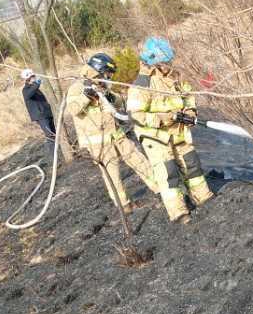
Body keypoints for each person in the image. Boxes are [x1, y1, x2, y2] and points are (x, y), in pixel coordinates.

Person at [127, 37, 214, 223]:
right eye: (164, 62)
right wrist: (165, 118)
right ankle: (180, 213)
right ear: (153, 62)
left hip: (179, 132)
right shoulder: (142, 84)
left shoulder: (175, 76)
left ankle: (203, 197)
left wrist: (190, 110)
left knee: (192, 165)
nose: (168, 65)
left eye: (168, 61)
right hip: (156, 137)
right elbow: (136, 116)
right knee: (169, 174)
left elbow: (188, 95)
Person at [66, 52, 157, 213]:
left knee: (139, 160)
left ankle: (159, 189)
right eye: (107, 73)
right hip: (99, 143)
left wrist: (108, 94)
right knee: (113, 175)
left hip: (117, 135)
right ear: (99, 70)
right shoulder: (77, 88)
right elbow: (73, 109)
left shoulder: (101, 85)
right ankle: (125, 205)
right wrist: (87, 96)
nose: (109, 77)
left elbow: (119, 101)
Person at [20, 69, 57, 144]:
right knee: (50, 135)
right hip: (41, 116)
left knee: (55, 134)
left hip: (47, 114)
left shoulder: (36, 89)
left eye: (34, 76)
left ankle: (58, 152)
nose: (34, 77)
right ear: (27, 79)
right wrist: (37, 84)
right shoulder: (25, 90)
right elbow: (30, 94)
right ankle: (53, 154)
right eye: (32, 77)